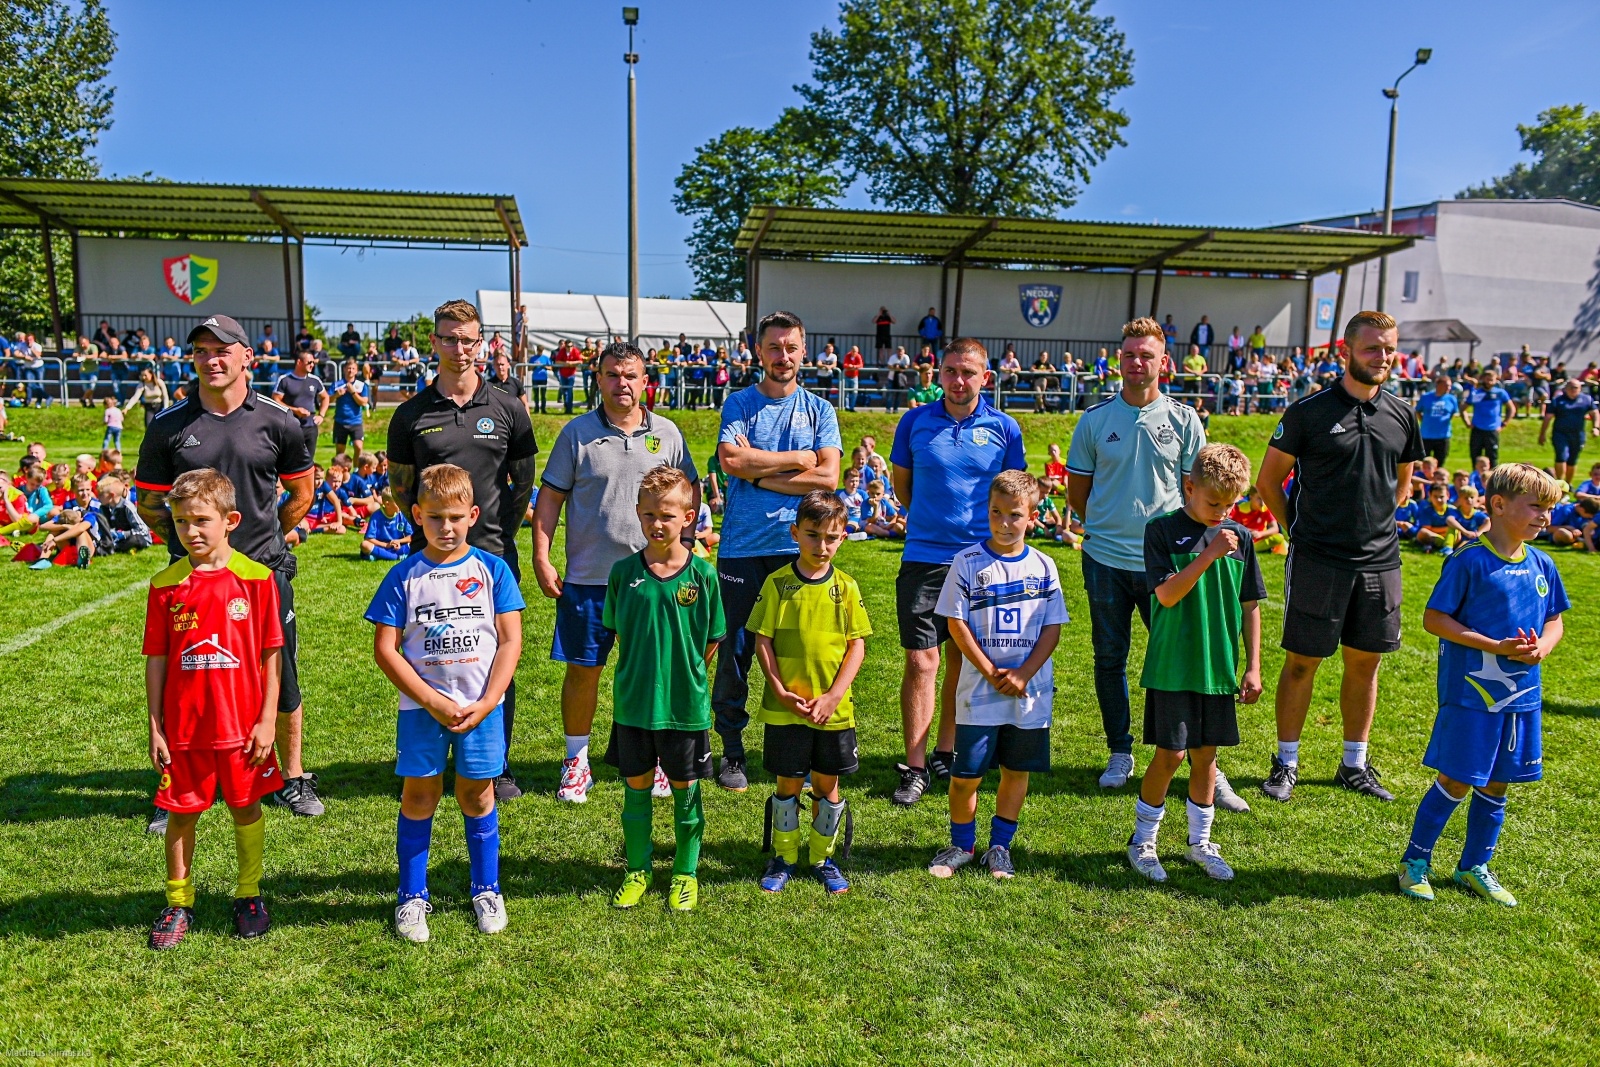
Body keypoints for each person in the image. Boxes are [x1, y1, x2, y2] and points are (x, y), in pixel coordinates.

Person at [136, 315, 319, 827]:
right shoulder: (168, 425)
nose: (211, 360)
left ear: (246, 358)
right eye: (201, 352)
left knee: (279, 676)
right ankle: (175, 782)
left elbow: (301, 495)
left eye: (222, 350)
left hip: (261, 572)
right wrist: (189, 551)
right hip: (191, 582)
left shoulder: (279, 421)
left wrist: (258, 542)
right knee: (183, 677)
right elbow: (150, 503)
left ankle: (293, 776)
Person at [1254, 310, 1424, 803]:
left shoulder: (1402, 413)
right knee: (1303, 663)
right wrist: (1299, 532)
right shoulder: (1308, 411)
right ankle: (1285, 763)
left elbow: (1402, 483)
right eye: (1373, 348)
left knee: (1365, 663)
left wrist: (1372, 527)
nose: (1384, 357)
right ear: (1346, 350)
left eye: (1390, 348)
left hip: (1380, 563)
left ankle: (1354, 764)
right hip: (1318, 561)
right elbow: (1268, 482)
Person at [532, 341, 698, 804]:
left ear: (646, 382)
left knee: (653, 671)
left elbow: (690, 490)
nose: (621, 383)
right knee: (584, 671)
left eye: (630, 376)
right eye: (611, 375)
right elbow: (550, 499)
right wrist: (542, 556)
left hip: (653, 579)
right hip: (588, 578)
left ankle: (658, 759)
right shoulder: (577, 433)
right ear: (598, 379)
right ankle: (575, 763)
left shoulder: (668, 434)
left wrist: (685, 544)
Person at [387, 300, 539, 802]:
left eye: (467, 339)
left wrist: (497, 535)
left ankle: (497, 765)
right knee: (429, 652)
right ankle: (426, 756)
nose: (458, 348)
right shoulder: (410, 415)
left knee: (495, 653)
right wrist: (432, 536)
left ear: (482, 343)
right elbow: (401, 488)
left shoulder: (508, 408)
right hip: (428, 559)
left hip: (493, 553)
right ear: (434, 343)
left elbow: (522, 484)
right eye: (448, 338)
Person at [1397, 463, 1569, 907]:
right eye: (1536, 506)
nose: (1544, 517)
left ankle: (1474, 866)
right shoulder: (1469, 560)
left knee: (1498, 783)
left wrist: (1543, 649)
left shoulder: (1542, 563)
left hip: (1521, 696)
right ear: (1498, 504)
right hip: (1472, 696)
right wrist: (1495, 644)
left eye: (1549, 508)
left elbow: (1555, 620)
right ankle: (1414, 863)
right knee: (1456, 779)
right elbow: (1434, 618)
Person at [364, 463, 522, 942]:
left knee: (478, 794)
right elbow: (385, 649)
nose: (446, 527)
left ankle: (486, 889)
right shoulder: (403, 576)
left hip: (481, 709)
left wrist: (490, 700)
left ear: (473, 515)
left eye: (455, 517)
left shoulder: (492, 570)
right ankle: (412, 897)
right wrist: (431, 700)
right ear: (416, 515)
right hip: (421, 711)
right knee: (419, 796)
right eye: (435, 518)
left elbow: (511, 640)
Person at [1066, 319, 1224, 797]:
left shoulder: (1184, 420)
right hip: (1106, 560)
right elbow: (1079, 496)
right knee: (1109, 658)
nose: (1138, 362)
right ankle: (1120, 750)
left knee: (1183, 661)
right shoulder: (1094, 420)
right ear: (1119, 359)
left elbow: (1197, 493)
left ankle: (1201, 759)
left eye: (1147, 355)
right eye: (1130, 354)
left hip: (1168, 565)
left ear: (1164, 363)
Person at [142, 469, 284, 949]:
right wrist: (156, 726)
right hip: (184, 731)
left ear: (230, 520)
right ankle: (178, 902)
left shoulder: (257, 579)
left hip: (243, 727)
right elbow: (158, 661)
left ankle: (249, 894)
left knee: (246, 808)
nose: (191, 532)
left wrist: (267, 720)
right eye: (181, 522)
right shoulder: (165, 585)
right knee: (182, 815)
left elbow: (270, 654)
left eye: (201, 520)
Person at [889, 339, 1025, 806]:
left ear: (985, 376)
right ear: (938, 374)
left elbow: (1014, 494)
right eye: (949, 371)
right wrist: (932, 526)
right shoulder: (914, 422)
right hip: (923, 559)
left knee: (963, 663)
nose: (958, 380)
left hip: (981, 561)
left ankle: (945, 750)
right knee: (920, 661)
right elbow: (903, 488)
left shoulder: (1005, 428)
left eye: (968, 372)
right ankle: (915, 765)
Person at [710, 311, 842, 792]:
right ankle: (731, 751)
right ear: (758, 351)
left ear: (803, 351)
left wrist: (759, 473)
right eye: (773, 347)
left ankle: (795, 754)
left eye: (790, 347)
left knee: (798, 652)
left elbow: (829, 478)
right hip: (743, 549)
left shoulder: (820, 410)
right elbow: (730, 460)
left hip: (801, 549)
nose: (782, 356)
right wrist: (798, 460)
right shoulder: (740, 404)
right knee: (736, 651)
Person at [1127, 445, 1265, 883]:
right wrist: (1207, 555)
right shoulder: (1162, 531)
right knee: (1171, 753)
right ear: (1189, 486)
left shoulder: (1240, 538)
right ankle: (1142, 843)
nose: (1222, 512)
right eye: (1213, 503)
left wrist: (1253, 666)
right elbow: (1166, 595)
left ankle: (1199, 843)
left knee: (1207, 756)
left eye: (1231, 504)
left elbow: (1250, 607)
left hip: (1219, 667)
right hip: (1173, 666)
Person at [926, 470, 1066, 878]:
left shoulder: (1044, 566)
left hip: (1028, 695)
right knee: (965, 775)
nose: (1004, 524)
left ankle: (1000, 847)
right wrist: (989, 671)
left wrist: (1023, 673)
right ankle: (961, 844)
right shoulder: (967, 562)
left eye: (1015, 515)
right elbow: (956, 623)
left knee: (1015, 772)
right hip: (978, 694)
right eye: (996, 513)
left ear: (1033, 516)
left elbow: (1052, 627)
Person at [604, 466, 726, 912]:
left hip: (684, 706)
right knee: (635, 789)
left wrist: (687, 670)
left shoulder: (704, 578)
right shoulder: (623, 574)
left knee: (685, 790)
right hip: (634, 704)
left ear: (689, 517)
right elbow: (618, 630)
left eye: (668, 516)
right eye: (650, 514)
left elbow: (713, 637)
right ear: (638, 513)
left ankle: (685, 873)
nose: (659, 524)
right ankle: (638, 869)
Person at [751, 490, 871, 894]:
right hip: (787, 709)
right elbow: (762, 641)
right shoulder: (777, 584)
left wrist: (834, 696)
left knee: (827, 786)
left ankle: (823, 857)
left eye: (832, 537)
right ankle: (784, 857)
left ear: (843, 536)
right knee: (788, 783)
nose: (822, 545)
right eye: (813, 535)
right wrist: (781, 691)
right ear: (795, 533)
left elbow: (857, 645)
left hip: (832, 712)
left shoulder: (847, 588)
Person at [273, 349, 330, 463]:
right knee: (289, 460)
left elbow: (325, 397)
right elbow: (275, 399)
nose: (312, 365)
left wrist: (321, 416)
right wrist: (295, 410)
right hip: (291, 426)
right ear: (299, 362)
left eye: (314, 362)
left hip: (310, 426)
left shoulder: (315, 380)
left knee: (308, 461)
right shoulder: (285, 380)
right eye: (309, 362)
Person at [1539, 377, 1598, 485]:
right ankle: (1560, 484)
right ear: (1565, 388)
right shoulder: (1558, 400)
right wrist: (1542, 434)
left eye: (1575, 387)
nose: (1573, 389)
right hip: (1560, 434)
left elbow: (1594, 413)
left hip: (1577, 435)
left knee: (1572, 460)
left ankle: (1568, 484)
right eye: (1570, 387)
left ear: (1580, 388)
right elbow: (1548, 417)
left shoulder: (1586, 399)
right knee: (1561, 457)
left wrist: (1595, 427)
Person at [1463, 368, 1515, 465]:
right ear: (1483, 379)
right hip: (1477, 429)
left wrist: (1505, 423)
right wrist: (1467, 422)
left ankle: (1492, 478)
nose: (1489, 382)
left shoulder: (1500, 393)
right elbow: (1463, 409)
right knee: (1475, 457)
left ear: (1496, 380)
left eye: (1492, 379)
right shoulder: (1476, 393)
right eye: (1487, 379)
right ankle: (1476, 478)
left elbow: (1511, 408)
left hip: (1492, 429)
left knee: (1493, 458)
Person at [1415, 373, 1460, 464]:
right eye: (1447, 385)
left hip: (1443, 436)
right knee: (1423, 462)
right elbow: (1418, 411)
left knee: (1440, 462)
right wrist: (1423, 420)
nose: (1449, 388)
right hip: (1426, 435)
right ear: (1438, 385)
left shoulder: (1452, 399)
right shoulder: (1426, 397)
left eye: (1450, 386)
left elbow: (1453, 413)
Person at [331, 360, 371, 458]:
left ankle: (356, 470)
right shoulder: (337, 384)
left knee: (358, 447)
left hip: (355, 421)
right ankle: (341, 469)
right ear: (344, 369)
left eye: (353, 368)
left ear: (356, 371)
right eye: (348, 368)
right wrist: (336, 395)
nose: (350, 371)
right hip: (340, 421)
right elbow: (327, 400)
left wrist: (353, 392)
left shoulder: (361, 385)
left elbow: (364, 402)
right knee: (340, 451)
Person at [361, 490, 413, 560]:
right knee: (364, 545)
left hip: (397, 547)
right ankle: (396, 557)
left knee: (421, 542)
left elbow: (410, 537)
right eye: (397, 502)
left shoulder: (402, 514)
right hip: (381, 547)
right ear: (387, 504)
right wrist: (386, 545)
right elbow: (368, 539)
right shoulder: (376, 516)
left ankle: (380, 555)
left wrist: (398, 541)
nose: (401, 504)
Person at [527, 345, 551, 414]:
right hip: (535, 378)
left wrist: (544, 366)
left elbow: (551, 367)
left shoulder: (545, 358)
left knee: (543, 394)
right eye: (539, 351)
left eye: (541, 351)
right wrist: (534, 366)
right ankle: (536, 408)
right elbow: (529, 368)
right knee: (536, 394)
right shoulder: (533, 358)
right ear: (537, 350)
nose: (540, 352)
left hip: (543, 378)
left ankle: (543, 409)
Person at [842, 344, 864, 412]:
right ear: (851, 351)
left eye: (856, 351)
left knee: (855, 392)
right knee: (846, 392)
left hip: (854, 376)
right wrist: (850, 366)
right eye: (853, 351)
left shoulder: (858, 356)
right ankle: (846, 407)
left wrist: (854, 366)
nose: (855, 353)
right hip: (847, 376)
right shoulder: (847, 355)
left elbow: (861, 365)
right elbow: (845, 365)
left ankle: (852, 407)